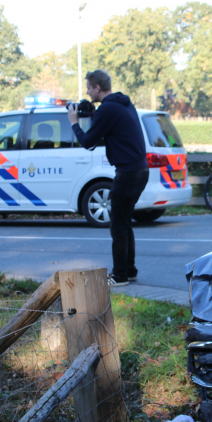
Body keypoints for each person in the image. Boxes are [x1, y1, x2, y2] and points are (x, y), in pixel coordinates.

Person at [68, 69, 148, 288]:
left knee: (117, 226)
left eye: (88, 88)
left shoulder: (108, 108)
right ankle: (129, 271)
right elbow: (111, 130)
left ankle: (120, 275)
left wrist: (74, 122)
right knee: (124, 223)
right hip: (140, 170)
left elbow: (88, 142)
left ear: (96, 88)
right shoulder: (123, 104)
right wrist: (93, 114)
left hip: (128, 173)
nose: (87, 92)